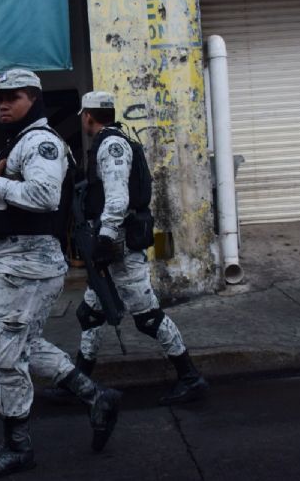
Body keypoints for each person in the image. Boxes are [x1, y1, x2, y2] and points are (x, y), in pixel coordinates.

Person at [0, 69, 123, 479]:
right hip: (18, 264)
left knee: (3, 362)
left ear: (33, 98)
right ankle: (97, 397)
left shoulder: (41, 142)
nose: (2, 104)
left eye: (11, 97)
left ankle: (17, 447)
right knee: (26, 345)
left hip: (26, 267)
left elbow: (43, 196)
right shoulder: (18, 142)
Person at [74, 91, 209, 405]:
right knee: (92, 313)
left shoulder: (111, 145)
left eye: (83, 116)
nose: (83, 120)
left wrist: (105, 238)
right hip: (112, 243)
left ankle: (190, 377)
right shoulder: (115, 140)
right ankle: (77, 382)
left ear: (89, 116)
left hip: (118, 245)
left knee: (148, 316)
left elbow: (118, 197)